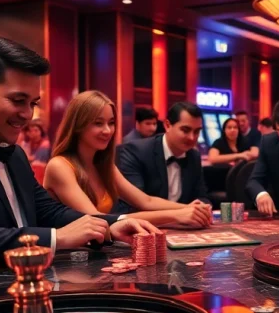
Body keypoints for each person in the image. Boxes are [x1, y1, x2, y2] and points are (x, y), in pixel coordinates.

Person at [0, 36, 159, 283]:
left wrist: (112, 224)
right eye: (18, 100)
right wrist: (57, 238)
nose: (28, 115)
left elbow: (48, 211)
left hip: (18, 283)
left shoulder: (14, 153)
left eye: (33, 103)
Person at [44, 90, 210, 227]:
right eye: (98, 123)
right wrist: (176, 215)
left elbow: (145, 201)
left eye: (111, 123)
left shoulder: (103, 165)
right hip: (66, 254)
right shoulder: (59, 166)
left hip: (95, 249)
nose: (108, 131)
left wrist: (188, 209)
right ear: (77, 126)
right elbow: (96, 219)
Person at [116, 101, 211, 206]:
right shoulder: (137, 152)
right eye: (185, 130)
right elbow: (135, 202)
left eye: (197, 131)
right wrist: (186, 210)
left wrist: (202, 207)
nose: (192, 137)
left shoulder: (194, 156)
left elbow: (201, 196)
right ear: (167, 125)